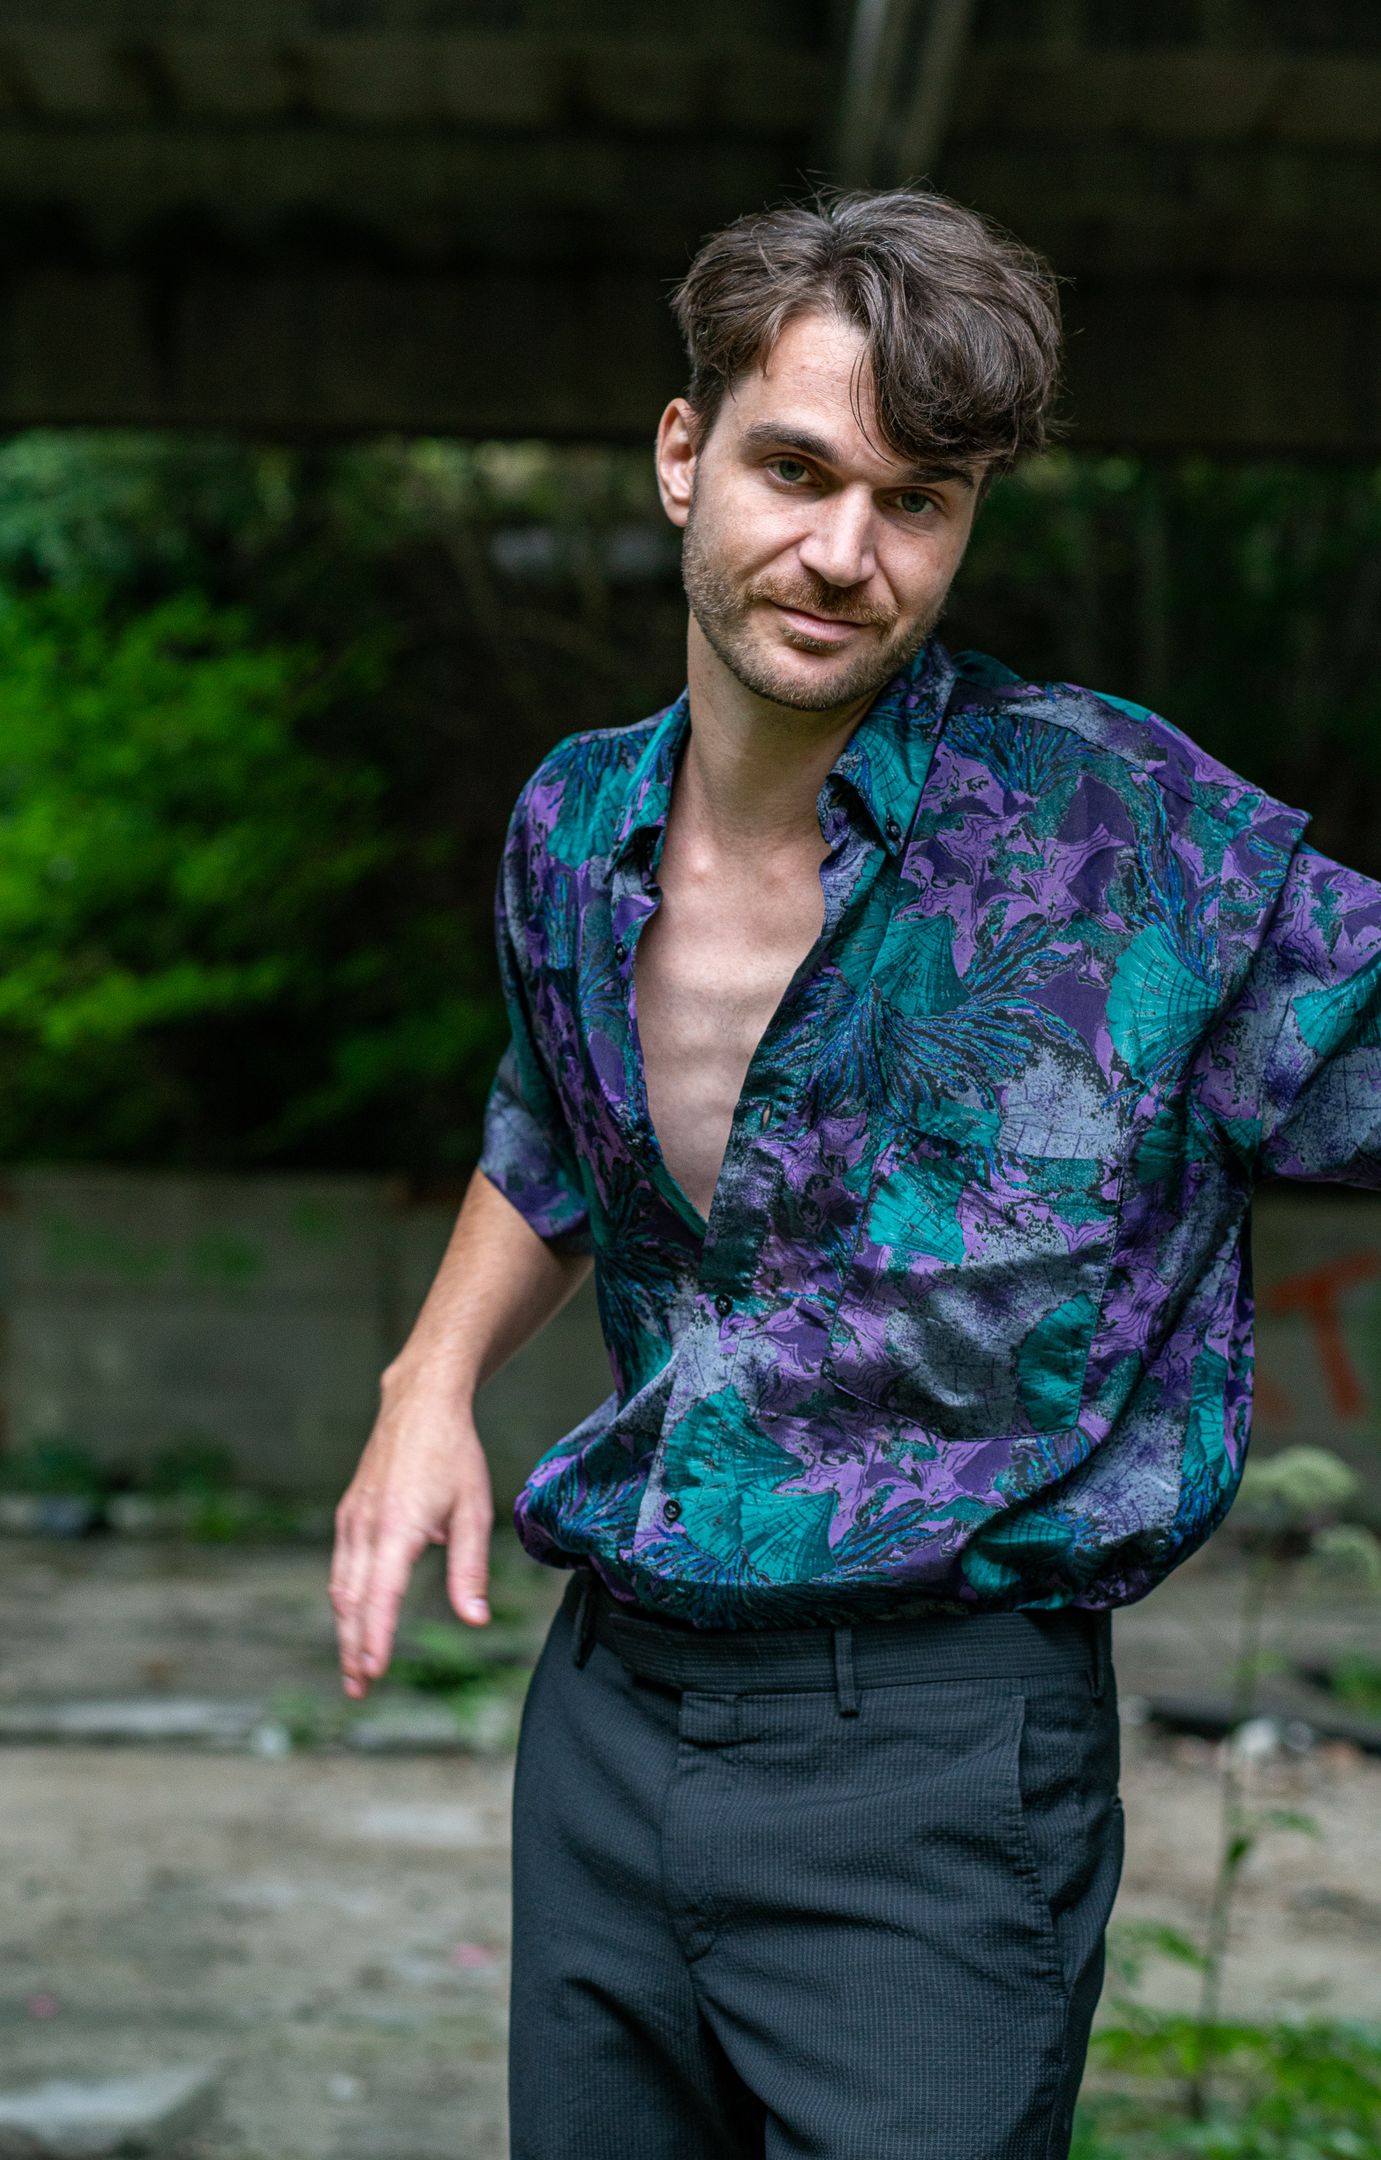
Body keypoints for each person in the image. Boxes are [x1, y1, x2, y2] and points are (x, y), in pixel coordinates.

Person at [330, 187, 1381, 2158]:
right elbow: (553, 1124)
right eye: (796, 470)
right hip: (610, 1715)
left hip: (936, 1760)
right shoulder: (569, 829)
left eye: (916, 501)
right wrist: (428, 1381)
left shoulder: (1123, 838)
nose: (843, 553)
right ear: (682, 454)